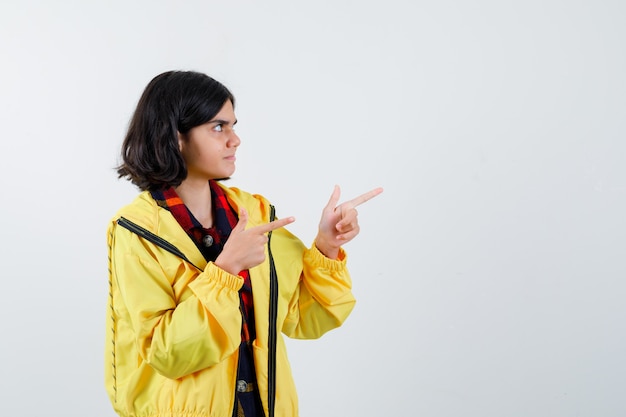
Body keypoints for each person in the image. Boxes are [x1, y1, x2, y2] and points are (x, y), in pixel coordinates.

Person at [105, 70, 383, 417]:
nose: (235, 140)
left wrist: (326, 245)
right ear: (176, 136)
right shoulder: (136, 232)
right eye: (218, 127)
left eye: (234, 126)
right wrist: (225, 270)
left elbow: (304, 316)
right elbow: (167, 353)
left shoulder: (252, 214)